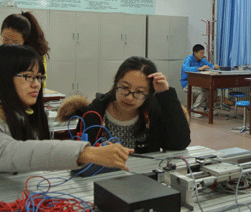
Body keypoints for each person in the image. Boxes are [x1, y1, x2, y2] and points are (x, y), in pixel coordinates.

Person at [0, 44, 132, 179]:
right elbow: (7, 153)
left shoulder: (22, 114)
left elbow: (33, 160)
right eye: (28, 76)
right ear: (2, 77)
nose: (37, 84)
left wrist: (95, 156)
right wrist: (85, 153)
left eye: (39, 77)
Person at [58, 56, 191, 153]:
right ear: (116, 83)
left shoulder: (153, 113)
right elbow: (79, 157)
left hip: (145, 179)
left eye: (139, 92)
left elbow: (179, 144)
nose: (129, 97)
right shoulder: (93, 114)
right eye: (125, 88)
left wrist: (165, 94)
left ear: (149, 94)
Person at [0, 12, 49, 90]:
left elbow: (40, 83)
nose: (9, 45)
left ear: (25, 41)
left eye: (16, 42)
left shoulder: (34, 54)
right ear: (1, 34)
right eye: (5, 39)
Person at [180, 44, 219, 117]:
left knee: (214, 89)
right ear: (195, 53)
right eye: (201, 53)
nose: (202, 55)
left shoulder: (202, 60)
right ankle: (194, 110)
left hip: (199, 83)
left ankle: (207, 108)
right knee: (203, 91)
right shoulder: (188, 59)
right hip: (187, 83)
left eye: (203, 52)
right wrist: (199, 68)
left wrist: (214, 67)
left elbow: (210, 66)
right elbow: (185, 69)